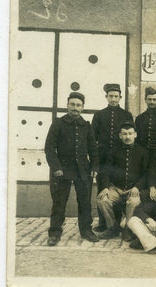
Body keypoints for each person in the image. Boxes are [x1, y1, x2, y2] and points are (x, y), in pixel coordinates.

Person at [44, 92, 100, 245]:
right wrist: (56, 167)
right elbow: (49, 148)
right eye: (73, 104)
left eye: (78, 105)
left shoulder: (86, 126)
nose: (75, 108)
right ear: (67, 105)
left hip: (83, 171)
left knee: (85, 202)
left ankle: (86, 230)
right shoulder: (58, 123)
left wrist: (94, 166)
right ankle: (54, 232)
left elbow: (93, 149)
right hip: (62, 171)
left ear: (82, 107)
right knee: (59, 202)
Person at [91, 83, 133, 232]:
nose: (113, 99)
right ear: (106, 97)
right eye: (111, 96)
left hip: (119, 157)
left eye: (116, 96)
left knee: (118, 185)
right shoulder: (99, 115)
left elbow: (130, 134)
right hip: (103, 158)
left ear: (120, 97)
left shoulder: (126, 115)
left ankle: (119, 221)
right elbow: (92, 138)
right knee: (103, 188)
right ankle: (105, 223)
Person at [97, 121, 149, 241]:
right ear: (120, 136)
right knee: (102, 200)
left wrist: (137, 187)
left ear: (135, 135)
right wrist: (105, 187)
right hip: (116, 188)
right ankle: (112, 227)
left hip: (134, 189)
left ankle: (128, 229)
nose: (127, 137)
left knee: (134, 202)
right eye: (124, 134)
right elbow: (106, 171)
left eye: (130, 133)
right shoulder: (113, 151)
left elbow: (146, 173)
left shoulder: (142, 152)